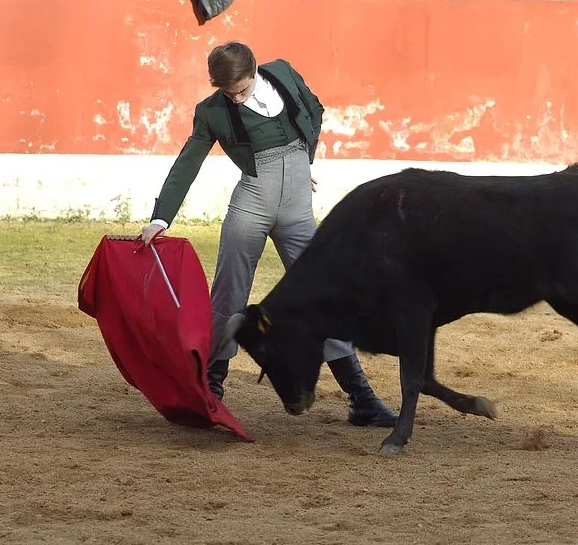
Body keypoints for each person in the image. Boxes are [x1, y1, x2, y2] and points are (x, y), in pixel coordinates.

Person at [140, 42, 398, 428]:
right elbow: (188, 161)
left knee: (325, 296)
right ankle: (210, 392)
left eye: (241, 90)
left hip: (297, 209)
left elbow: (314, 109)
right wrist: (161, 219)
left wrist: (303, 163)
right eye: (229, 93)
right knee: (228, 296)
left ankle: (362, 399)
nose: (236, 98)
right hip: (251, 207)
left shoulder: (283, 74)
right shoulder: (211, 111)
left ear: (255, 71)